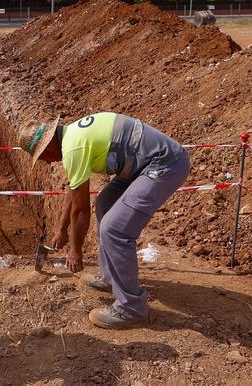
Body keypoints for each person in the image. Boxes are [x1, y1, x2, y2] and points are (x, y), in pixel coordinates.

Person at [22, 113, 190, 330]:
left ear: (49, 144)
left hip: (164, 164)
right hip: (140, 166)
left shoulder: (73, 147)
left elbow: (81, 211)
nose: (45, 161)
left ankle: (131, 308)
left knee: (115, 229)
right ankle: (110, 277)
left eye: (41, 155)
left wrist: (75, 250)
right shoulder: (73, 135)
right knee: (105, 203)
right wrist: (61, 230)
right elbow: (72, 191)